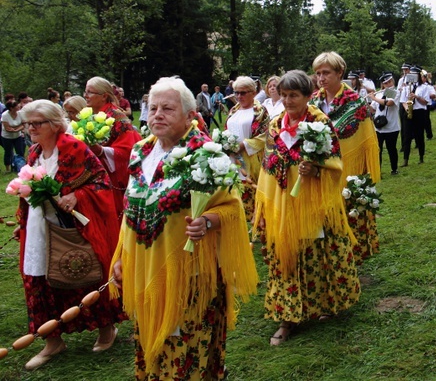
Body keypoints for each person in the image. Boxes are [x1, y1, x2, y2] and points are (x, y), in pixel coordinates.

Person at [110, 76, 258, 379]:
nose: (157, 115)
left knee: (187, 347)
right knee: (155, 340)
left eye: (167, 108)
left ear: (191, 115)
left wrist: (206, 221)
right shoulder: (140, 151)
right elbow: (132, 208)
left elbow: (231, 207)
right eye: (152, 108)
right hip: (146, 266)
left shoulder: (206, 154)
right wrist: (123, 255)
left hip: (190, 272)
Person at [14, 100, 124, 370]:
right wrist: (23, 220)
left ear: (53, 124)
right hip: (39, 230)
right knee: (38, 280)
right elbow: (28, 190)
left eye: (36, 123)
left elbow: (100, 181)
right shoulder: (33, 153)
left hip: (74, 229)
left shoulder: (74, 148)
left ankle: (105, 329)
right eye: (28, 124)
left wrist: (77, 195)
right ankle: (52, 341)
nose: (31, 128)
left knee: (85, 276)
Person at [253, 70, 359, 345]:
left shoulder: (320, 123)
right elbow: (267, 165)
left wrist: (316, 168)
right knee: (285, 257)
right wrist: (263, 206)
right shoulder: (275, 124)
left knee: (314, 256)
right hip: (281, 202)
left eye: (294, 95)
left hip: (313, 203)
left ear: (308, 96)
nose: (288, 101)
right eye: (284, 95)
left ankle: (321, 304)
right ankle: (286, 318)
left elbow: (335, 161)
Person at [311, 52, 381, 265]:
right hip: (321, 168)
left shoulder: (355, 102)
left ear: (339, 72)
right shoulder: (314, 100)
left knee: (348, 209)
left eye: (326, 73)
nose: (321, 78)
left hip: (349, 167)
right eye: (317, 73)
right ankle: (329, 255)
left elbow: (366, 138)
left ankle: (352, 255)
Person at [84, 77, 142, 217]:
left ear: (104, 96)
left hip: (114, 178)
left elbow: (128, 149)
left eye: (90, 92)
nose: (85, 95)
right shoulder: (91, 114)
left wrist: (101, 151)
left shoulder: (117, 116)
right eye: (85, 91)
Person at [225, 76, 270, 221]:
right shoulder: (233, 110)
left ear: (253, 92)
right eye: (236, 93)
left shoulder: (260, 111)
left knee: (253, 191)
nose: (239, 96)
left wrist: (243, 145)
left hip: (251, 159)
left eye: (243, 93)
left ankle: (259, 223)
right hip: (233, 159)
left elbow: (265, 135)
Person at [369, 72, 401, 175]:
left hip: (391, 127)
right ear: (383, 85)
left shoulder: (394, 92)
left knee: (391, 149)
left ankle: (394, 169)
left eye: (390, 81)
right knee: (378, 150)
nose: (389, 84)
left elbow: (389, 103)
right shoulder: (379, 94)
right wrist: (365, 102)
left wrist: (374, 98)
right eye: (386, 83)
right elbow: (373, 109)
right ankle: (378, 170)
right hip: (379, 127)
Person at [401, 66, 432, 167]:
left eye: (414, 75)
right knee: (407, 136)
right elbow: (403, 101)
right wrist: (407, 108)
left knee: (419, 135)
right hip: (409, 112)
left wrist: (417, 97)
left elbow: (426, 102)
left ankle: (421, 157)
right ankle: (405, 160)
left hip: (419, 112)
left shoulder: (424, 87)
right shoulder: (406, 87)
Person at [1, 100, 26, 172]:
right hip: (6, 137)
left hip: (17, 136)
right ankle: (8, 169)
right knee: (8, 152)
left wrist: (16, 129)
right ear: (11, 108)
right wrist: (18, 127)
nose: (18, 106)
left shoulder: (20, 113)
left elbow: (23, 124)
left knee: (20, 151)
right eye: (16, 105)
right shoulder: (5, 115)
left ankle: (21, 166)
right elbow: (7, 128)